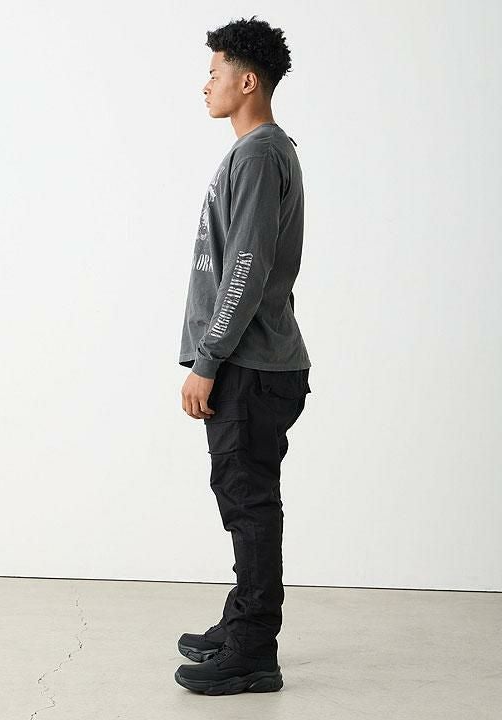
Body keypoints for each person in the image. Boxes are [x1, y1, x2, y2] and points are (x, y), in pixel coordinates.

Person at [175, 15, 312, 695]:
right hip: (254, 363)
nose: (206, 85)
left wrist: (208, 359)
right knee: (243, 497)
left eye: (215, 72)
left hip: (250, 367)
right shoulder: (260, 152)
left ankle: (254, 649)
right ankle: (241, 624)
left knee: (249, 503)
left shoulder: (259, 155)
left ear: (247, 80)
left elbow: (247, 269)